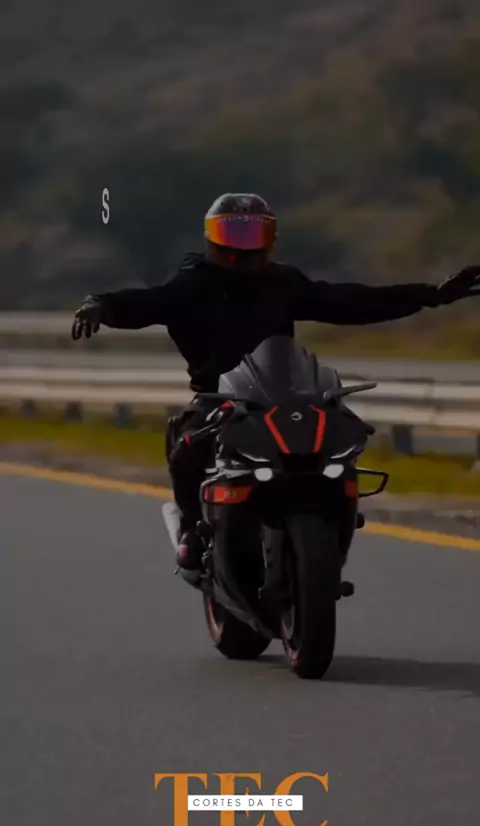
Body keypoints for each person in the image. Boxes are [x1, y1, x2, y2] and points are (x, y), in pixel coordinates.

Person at [72, 192, 480, 581]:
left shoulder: (282, 281)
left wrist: (431, 295)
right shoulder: (191, 285)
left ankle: (335, 511)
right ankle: (193, 533)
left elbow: (350, 301)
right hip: (221, 399)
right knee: (187, 447)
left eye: (254, 231)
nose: (244, 243)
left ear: (270, 237)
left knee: (344, 431)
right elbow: (144, 303)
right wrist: (101, 306)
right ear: (213, 237)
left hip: (282, 397)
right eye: (234, 231)